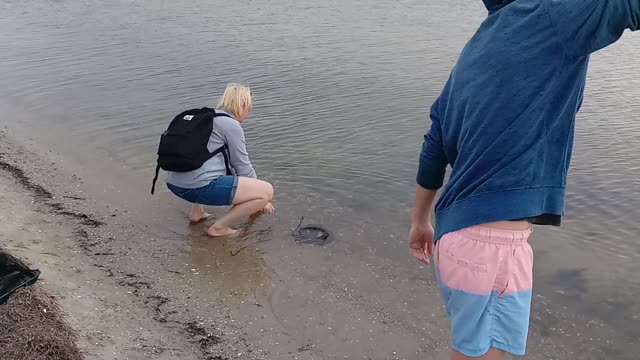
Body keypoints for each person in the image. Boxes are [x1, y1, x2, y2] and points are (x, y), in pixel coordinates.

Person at [409, 1, 638, 359]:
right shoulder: (552, 13)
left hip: (459, 238)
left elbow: (434, 145)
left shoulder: (477, 46)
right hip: (490, 246)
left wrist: (420, 220)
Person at [165, 84, 274, 237]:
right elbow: (242, 165)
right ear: (242, 105)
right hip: (196, 188)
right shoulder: (231, 125)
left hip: (174, 184)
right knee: (266, 191)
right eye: (249, 108)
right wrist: (263, 198)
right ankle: (219, 228)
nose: (248, 113)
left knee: (208, 168)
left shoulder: (207, 119)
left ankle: (197, 212)